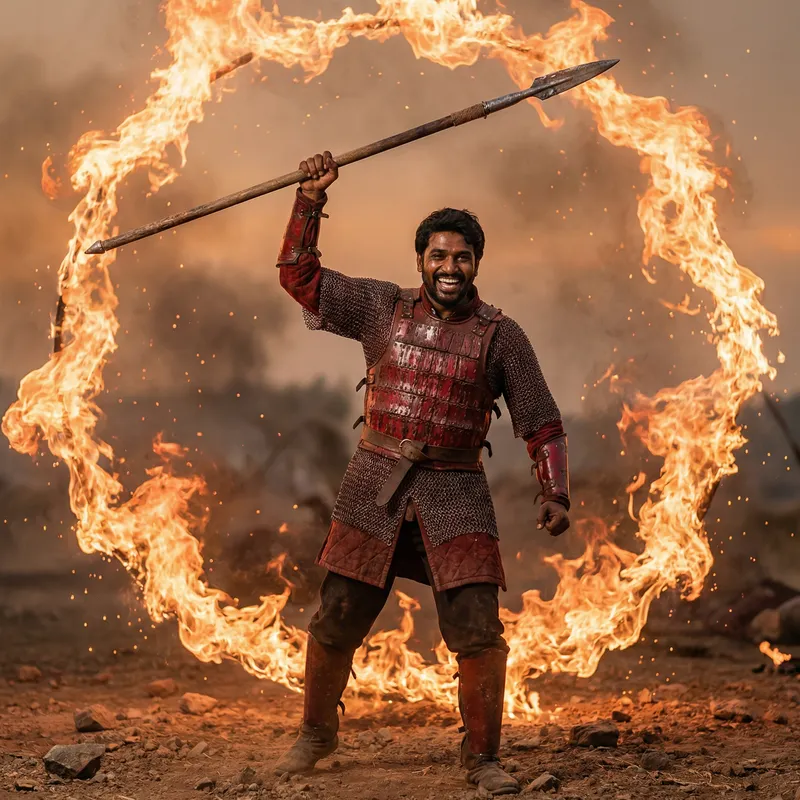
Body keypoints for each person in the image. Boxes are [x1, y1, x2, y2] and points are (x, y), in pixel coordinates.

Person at [273, 152, 570, 796]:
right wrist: (309, 200)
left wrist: (555, 492)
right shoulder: (382, 308)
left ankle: (484, 759)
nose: (449, 268)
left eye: (461, 257)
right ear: (421, 261)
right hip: (373, 488)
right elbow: (299, 275)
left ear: (476, 264)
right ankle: (316, 735)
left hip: (457, 492)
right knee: (336, 619)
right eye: (438, 256)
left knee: (478, 633)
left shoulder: (501, 336)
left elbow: (541, 422)